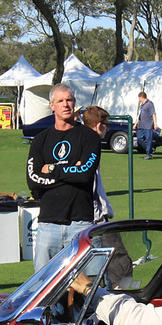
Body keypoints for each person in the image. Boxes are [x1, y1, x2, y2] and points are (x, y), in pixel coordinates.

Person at [27, 84, 101, 269]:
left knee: (88, 288)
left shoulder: (89, 137)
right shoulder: (40, 139)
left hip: (80, 224)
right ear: (52, 105)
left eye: (69, 100)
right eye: (60, 101)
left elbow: (85, 174)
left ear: (74, 103)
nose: (65, 104)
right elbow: (32, 179)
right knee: (44, 287)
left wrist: (53, 169)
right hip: (48, 225)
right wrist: (71, 169)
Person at [81, 105, 115, 221]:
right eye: (107, 125)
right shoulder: (89, 146)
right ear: (99, 125)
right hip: (93, 218)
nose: (108, 129)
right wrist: (98, 216)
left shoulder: (84, 141)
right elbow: (91, 186)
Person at [136, 90, 157, 158]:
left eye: (139, 98)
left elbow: (153, 114)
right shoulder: (141, 105)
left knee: (148, 139)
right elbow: (139, 115)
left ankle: (149, 154)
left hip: (148, 125)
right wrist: (136, 123)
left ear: (141, 97)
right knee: (139, 138)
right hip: (141, 125)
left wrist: (155, 123)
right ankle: (149, 149)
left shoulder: (149, 104)